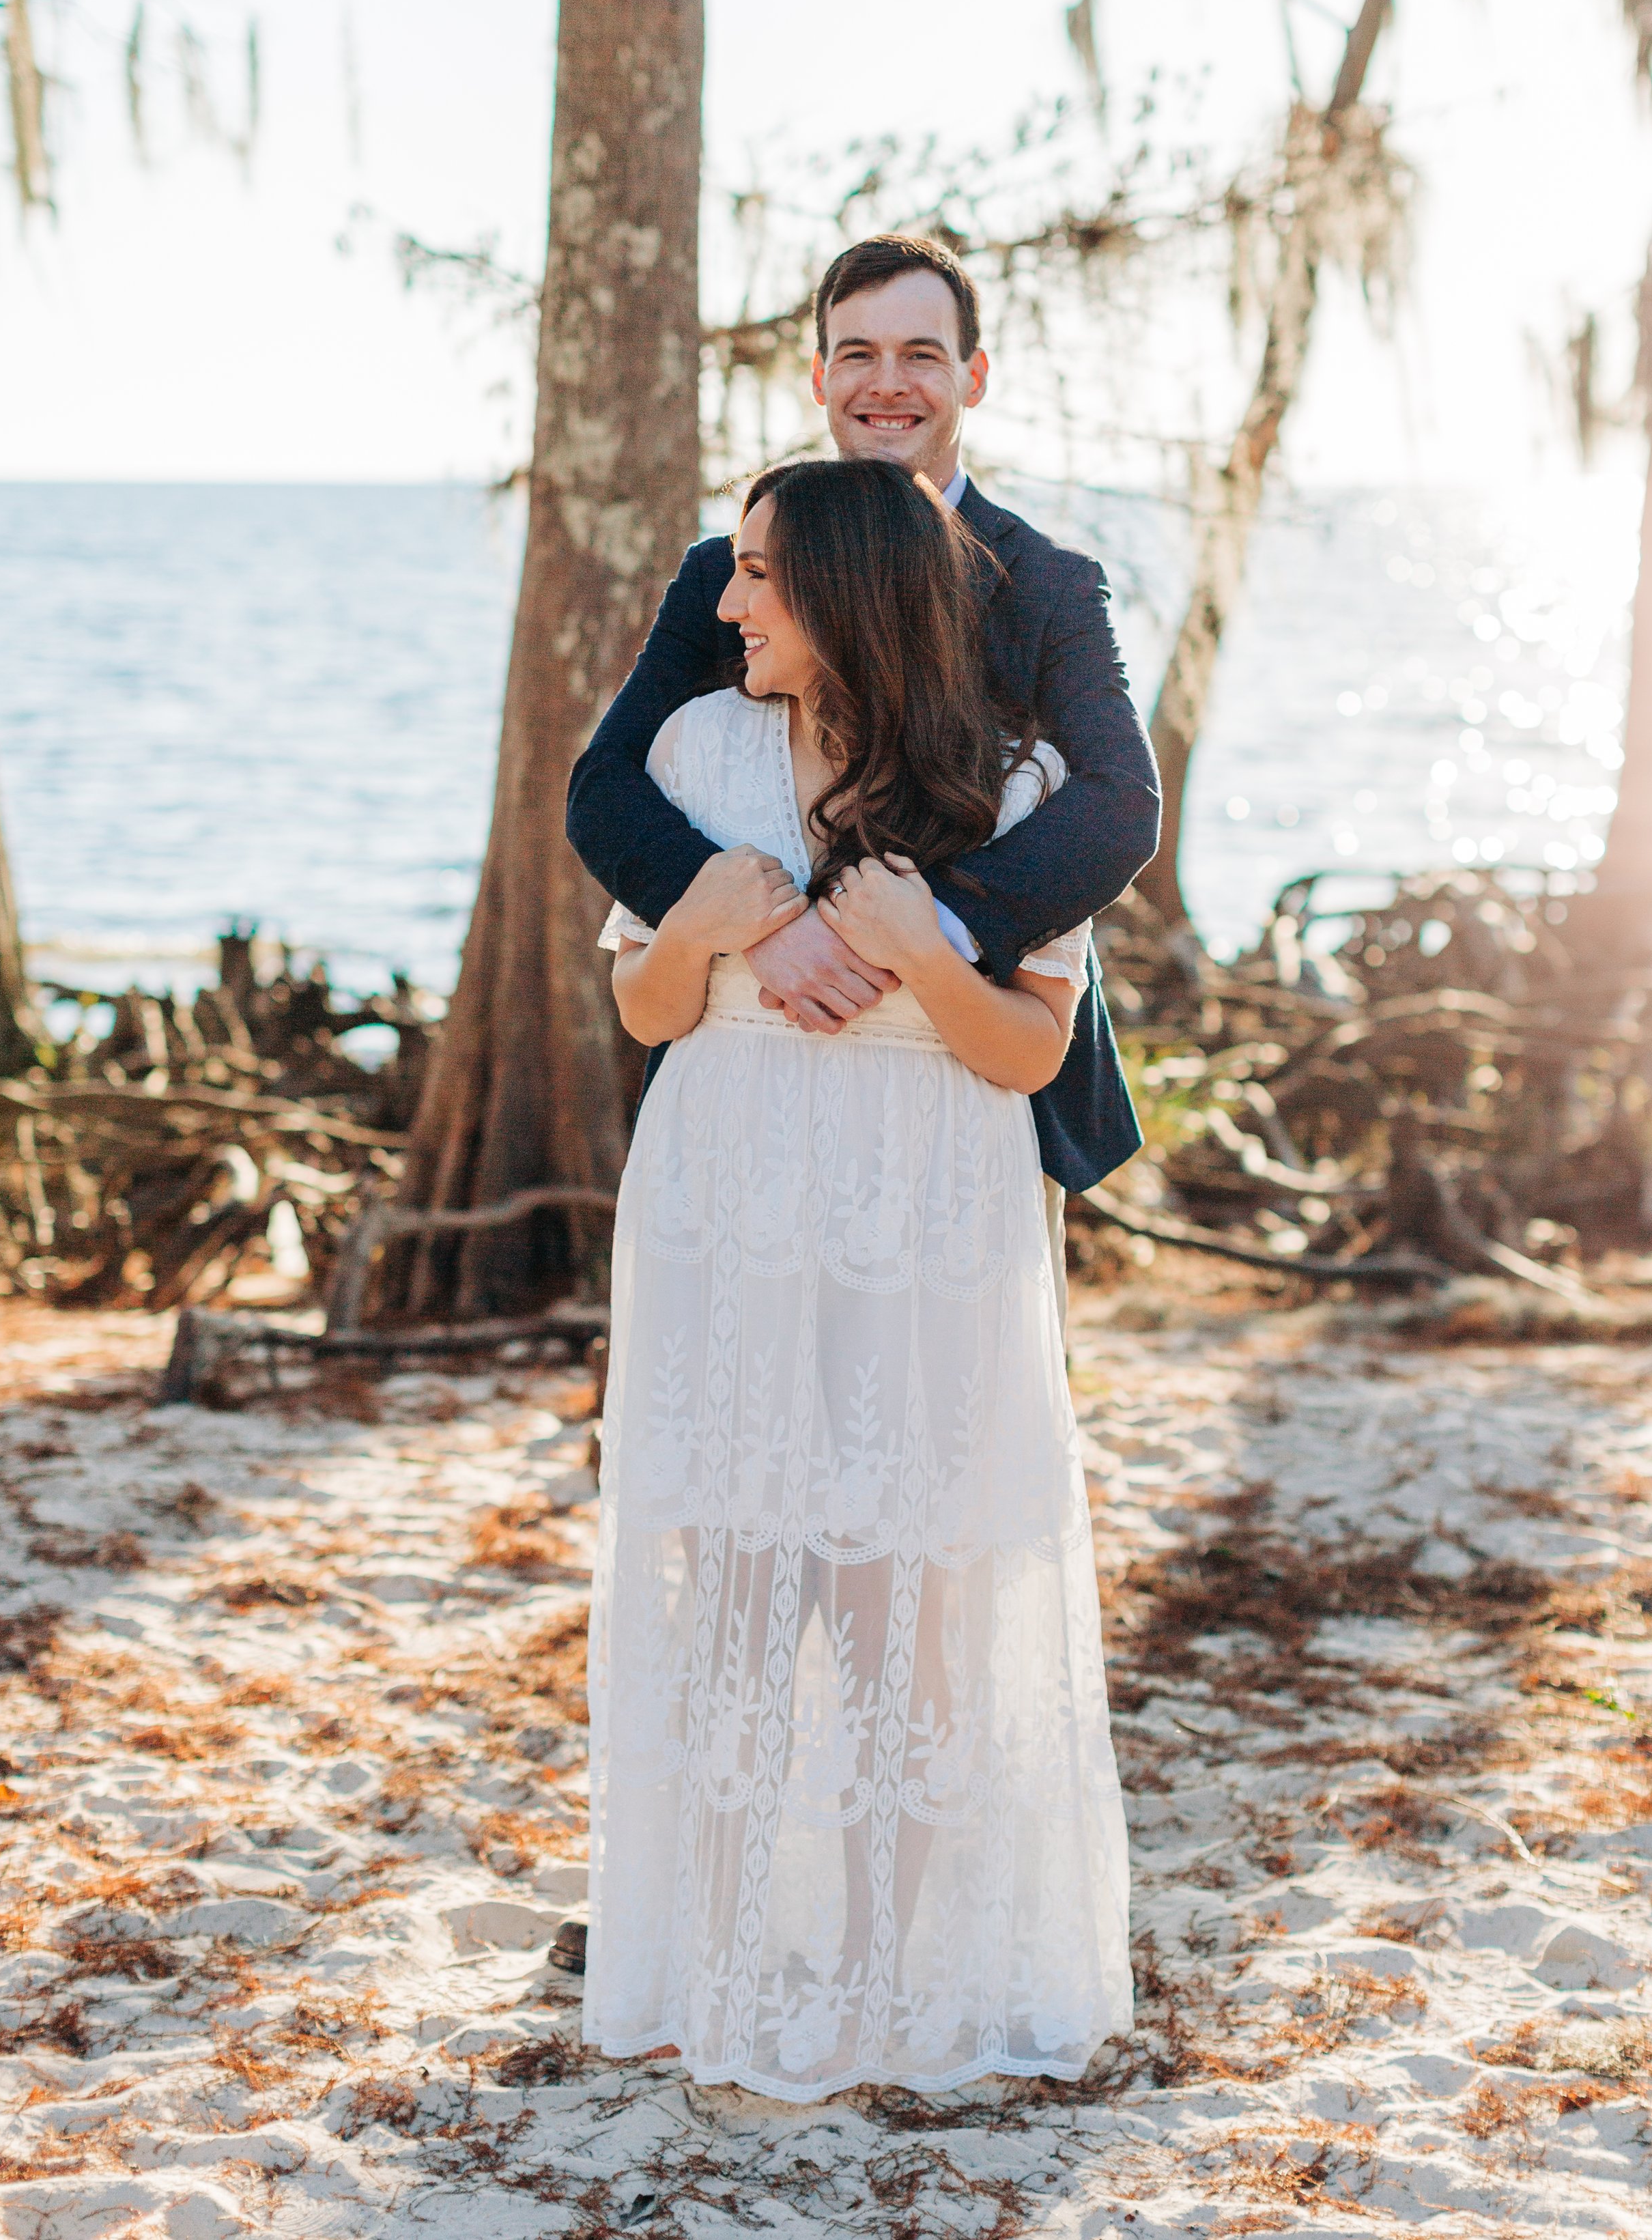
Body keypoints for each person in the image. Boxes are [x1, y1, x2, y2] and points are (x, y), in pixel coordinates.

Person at [582, 459, 1135, 2097]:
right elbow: (641, 1011)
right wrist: (711, 921)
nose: (727, 603)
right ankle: (731, 1961)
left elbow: (1030, 1049)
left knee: (916, 1585)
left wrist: (910, 948)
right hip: (727, 1200)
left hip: (924, 1214)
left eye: (757, 576)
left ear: (845, 592)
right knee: (737, 1578)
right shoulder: (693, 755)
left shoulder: (1015, 788)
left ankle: (899, 1975)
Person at [567, 233, 1161, 1335]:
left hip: (965, 1062)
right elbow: (608, 784)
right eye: (857, 354)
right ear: (820, 376)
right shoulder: (731, 570)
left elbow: (1122, 804)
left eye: (922, 355)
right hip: (757, 1076)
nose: (888, 385)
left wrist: (924, 927)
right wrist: (756, 926)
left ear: (974, 378)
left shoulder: (1046, 584)